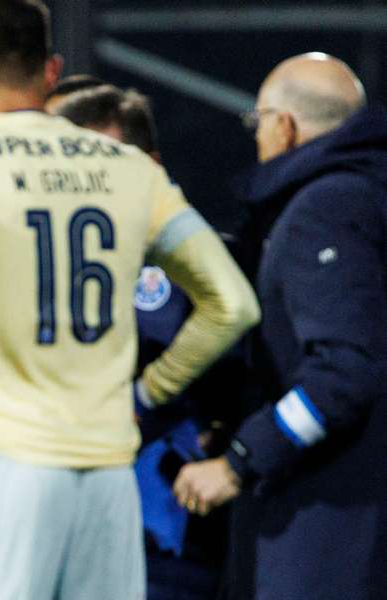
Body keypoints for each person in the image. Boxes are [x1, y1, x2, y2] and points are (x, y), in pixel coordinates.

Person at [0, 2, 259, 598]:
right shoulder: (131, 171)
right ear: (51, 71)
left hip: (4, 463)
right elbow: (233, 304)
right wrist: (148, 391)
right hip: (108, 479)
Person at [173, 53, 387, 599]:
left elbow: (343, 372)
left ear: (285, 126)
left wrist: (243, 459)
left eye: (259, 119)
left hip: (330, 521)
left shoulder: (325, 207)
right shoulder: (364, 195)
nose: (257, 135)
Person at [53, 82, 249, 599]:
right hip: (61, 532)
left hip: (168, 541)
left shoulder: (209, 265)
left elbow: (244, 377)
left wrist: (147, 399)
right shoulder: (43, 266)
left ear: (152, 167)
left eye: (106, 162)